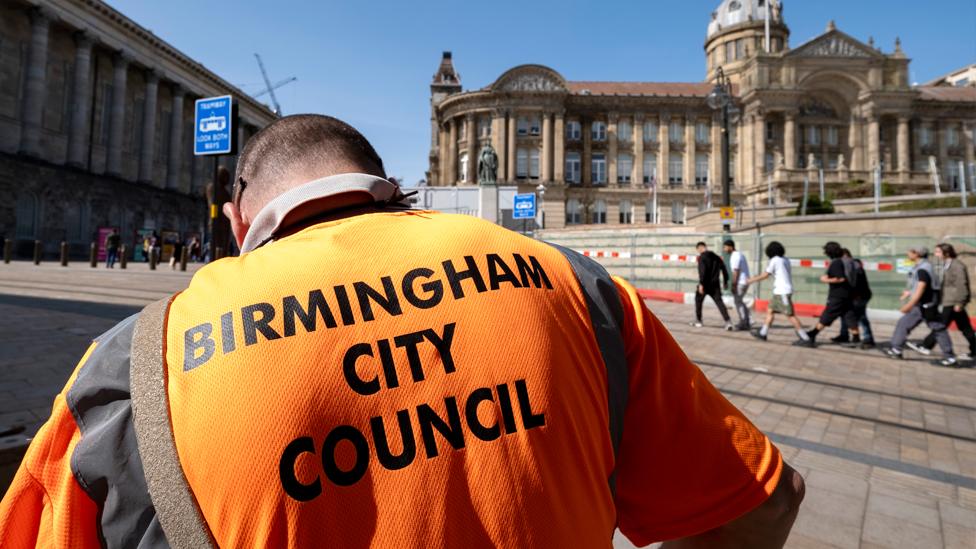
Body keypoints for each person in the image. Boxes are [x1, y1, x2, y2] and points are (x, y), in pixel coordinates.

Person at [0, 115, 803, 547]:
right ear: (390, 187)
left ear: (238, 213)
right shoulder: (571, 284)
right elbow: (764, 502)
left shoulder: (134, 364)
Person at [907, 243, 974, 366]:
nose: (936, 254)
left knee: (940, 324)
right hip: (949, 299)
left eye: (938, 252)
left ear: (946, 253)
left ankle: (927, 345)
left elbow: (962, 284)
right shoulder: (946, 264)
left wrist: (960, 302)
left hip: (953, 301)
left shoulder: (957, 266)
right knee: (965, 327)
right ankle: (974, 350)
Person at [886, 246, 951, 360]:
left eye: (910, 251)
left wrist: (909, 305)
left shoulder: (923, 269)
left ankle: (949, 356)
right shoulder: (923, 266)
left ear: (917, 254)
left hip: (926, 305)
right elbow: (919, 286)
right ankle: (896, 349)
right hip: (922, 305)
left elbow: (922, 287)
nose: (907, 253)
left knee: (938, 328)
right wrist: (909, 292)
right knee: (904, 323)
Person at [795, 241, 858, 347]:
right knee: (849, 315)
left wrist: (825, 279)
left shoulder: (836, 263)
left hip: (837, 295)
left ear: (829, 252)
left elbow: (840, 278)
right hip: (847, 294)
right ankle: (856, 338)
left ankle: (812, 335)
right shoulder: (844, 261)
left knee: (827, 315)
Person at [746, 241, 809, 343]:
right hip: (780, 291)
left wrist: (751, 280)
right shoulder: (785, 259)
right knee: (770, 310)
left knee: (790, 315)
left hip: (782, 292)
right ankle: (763, 333)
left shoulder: (775, 260)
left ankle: (805, 338)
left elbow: (766, 275)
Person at [835, 249, 875, 349]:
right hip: (855, 296)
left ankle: (868, 339)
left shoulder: (854, 265)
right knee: (845, 314)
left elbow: (855, 282)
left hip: (860, 296)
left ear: (846, 256)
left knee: (861, 317)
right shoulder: (852, 264)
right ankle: (844, 335)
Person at [692, 241, 734, 330]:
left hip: (705, 284)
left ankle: (699, 321)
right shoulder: (717, 257)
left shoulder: (702, 257)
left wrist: (701, 284)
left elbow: (702, 272)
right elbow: (724, 269)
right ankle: (728, 322)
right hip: (715, 285)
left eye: (698, 250)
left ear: (700, 248)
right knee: (720, 302)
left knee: (698, 300)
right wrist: (726, 281)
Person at [723, 239, 752, 330]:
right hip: (744, 281)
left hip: (741, 282)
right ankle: (746, 321)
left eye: (725, 247)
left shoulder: (735, 256)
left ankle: (744, 322)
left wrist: (734, 284)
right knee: (739, 301)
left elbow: (736, 271)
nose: (724, 249)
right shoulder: (739, 254)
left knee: (738, 302)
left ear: (731, 247)